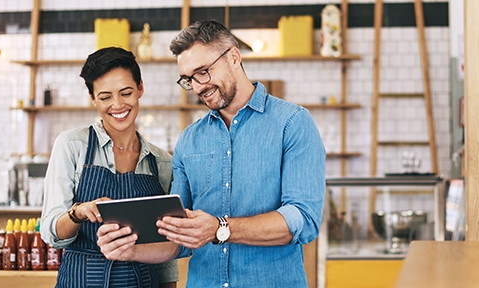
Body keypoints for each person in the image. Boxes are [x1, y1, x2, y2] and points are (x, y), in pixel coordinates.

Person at [97, 20, 326, 287]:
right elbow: (179, 236)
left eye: (203, 72)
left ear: (234, 57)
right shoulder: (189, 141)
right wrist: (131, 250)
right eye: (188, 79)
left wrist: (220, 228)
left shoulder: (292, 123)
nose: (197, 87)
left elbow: (303, 219)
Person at [40, 47, 179, 288]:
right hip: (81, 280)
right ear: (92, 98)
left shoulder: (160, 162)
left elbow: (166, 254)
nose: (117, 105)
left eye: (126, 93)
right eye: (105, 97)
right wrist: (79, 212)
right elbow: (52, 233)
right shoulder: (72, 146)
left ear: (140, 88)